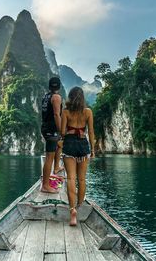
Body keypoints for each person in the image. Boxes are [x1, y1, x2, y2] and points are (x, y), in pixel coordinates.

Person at [61, 87, 95, 226]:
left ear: (70, 97)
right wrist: (92, 150)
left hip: (69, 145)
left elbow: (62, 132)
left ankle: (72, 210)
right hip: (82, 146)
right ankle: (80, 205)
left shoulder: (66, 112)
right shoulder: (88, 112)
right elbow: (91, 131)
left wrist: (70, 131)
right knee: (81, 179)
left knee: (71, 178)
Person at [41, 77, 63, 193]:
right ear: (59, 86)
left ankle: (56, 167)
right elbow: (56, 115)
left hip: (46, 127)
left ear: (50, 86)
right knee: (49, 157)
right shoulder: (56, 97)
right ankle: (45, 185)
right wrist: (61, 131)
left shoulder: (46, 96)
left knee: (60, 145)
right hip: (52, 129)